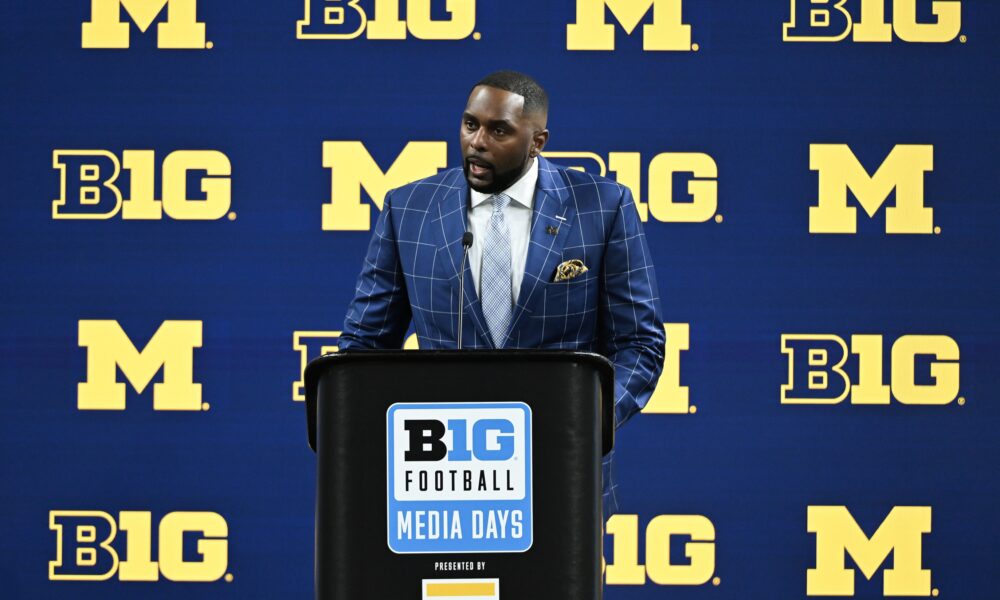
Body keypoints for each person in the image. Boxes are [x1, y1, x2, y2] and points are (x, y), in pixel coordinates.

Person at [339, 70, 665, 513]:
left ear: (538, 142)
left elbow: (640, 344)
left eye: (499, 130)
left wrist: (585, 423)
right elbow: (364, 348)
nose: (477, 141)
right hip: (436, 482)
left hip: (561, 477)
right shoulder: (408, 208)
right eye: (470, 124)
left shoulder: (602, 207)